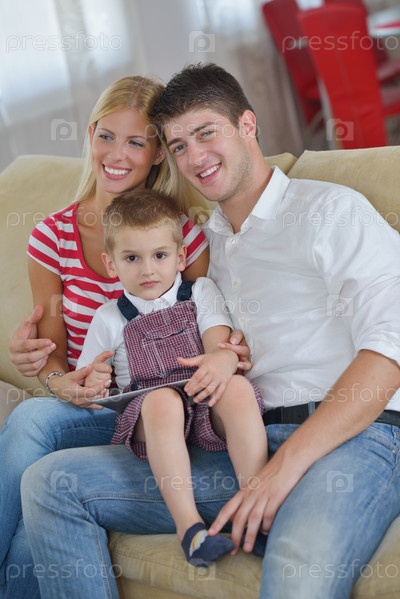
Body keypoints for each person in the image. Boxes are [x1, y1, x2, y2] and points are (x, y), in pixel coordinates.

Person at [18, 61, 400, 599]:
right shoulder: (197, 249)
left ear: (248, 125)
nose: (195, 157)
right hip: (238, 439)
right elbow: (135, 303)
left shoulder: (331, 211)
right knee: (51, 484)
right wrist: (51, 364)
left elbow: (389, 348)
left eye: (206, 133)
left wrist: (280, 471)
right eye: (178, 145)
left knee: (295, 576)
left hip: (351, 438)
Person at [0, 74, 222, 599]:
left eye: (136, 142)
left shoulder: (181, 238)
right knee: (35, 437)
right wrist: (60, 382)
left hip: (162, 411)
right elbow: (54, 359)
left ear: (157, 155)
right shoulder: (52, 236)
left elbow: (204, 321)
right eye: (106, 136)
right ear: (90, 135)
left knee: (30, 432)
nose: (117, 155)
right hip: (94, 409)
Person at [76, 189, 267, 566]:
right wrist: (94, 380)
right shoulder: (109, 317)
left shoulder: (199, 292)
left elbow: (218, 349)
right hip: (152, 416)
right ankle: (191, 531)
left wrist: (224, 358)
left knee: (236, 388)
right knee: (162, 400)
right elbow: (88, 389)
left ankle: (257, 512)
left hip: (203, 399)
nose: (148, 270)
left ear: (180, 256)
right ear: (111, 263)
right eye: (132, 258)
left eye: (160, 255)